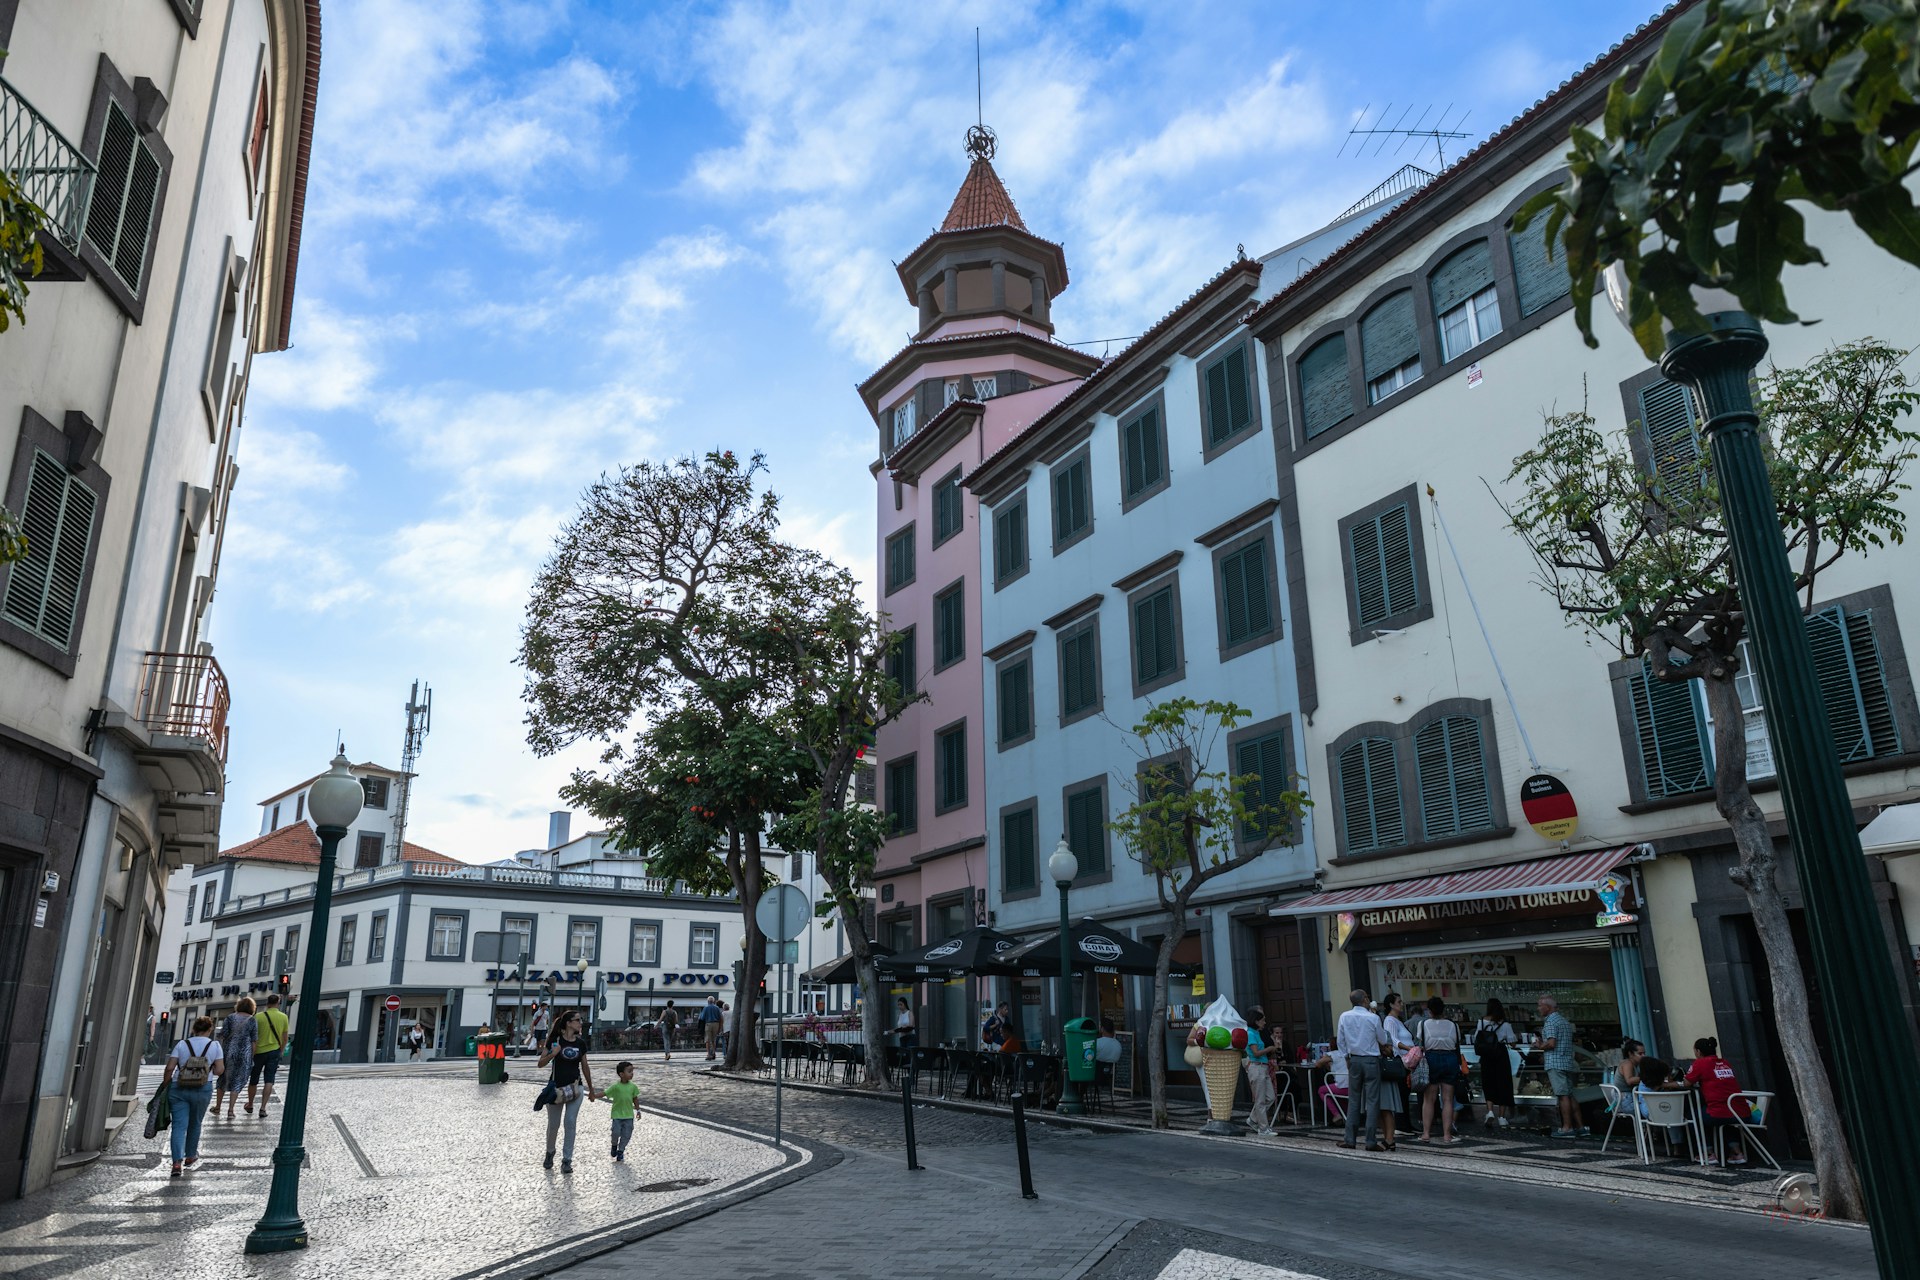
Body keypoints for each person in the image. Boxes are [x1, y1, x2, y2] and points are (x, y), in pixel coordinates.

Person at [161, 1015, 224, 1177]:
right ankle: (190, 1156)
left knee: (179, 1126)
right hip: (203, 1088)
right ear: (210, 1030)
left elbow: (170, 1068)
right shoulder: (215, 1045)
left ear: (194, 1029)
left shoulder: (182, 1044)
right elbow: (219, 1070)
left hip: (178, 1087)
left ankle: (176, 1162)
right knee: (195, 1123)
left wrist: (165, 1084)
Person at [540, 1010, 597, 1173]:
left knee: (570, 1122)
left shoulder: (580, 1044)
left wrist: (591, 1089)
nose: (581, 1023)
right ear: (568, 1023)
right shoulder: (554, 1041)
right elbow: (540, 1063)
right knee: (553, 1125)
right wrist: (553, 1053)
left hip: (575, 1088)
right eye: (578, 1020)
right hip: (556, 1089)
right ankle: (550, 1152)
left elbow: (585, 1066)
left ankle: (567, 1160)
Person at [1685, 1037, 1751, 1166]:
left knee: (1694, 1117)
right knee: (1727, 1121)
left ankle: (1708, 1153)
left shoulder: (1700, 1063)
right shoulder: (1725, 1062)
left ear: (1698, 1051)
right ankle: (1737, 1153)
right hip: (1741, 1111)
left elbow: (1687, 1083)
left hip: (1719, 1112)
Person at [1336, 988, 1388, 1152]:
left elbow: (1340, 1040)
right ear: (1365, 1000)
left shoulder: (1344, 1016)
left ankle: (1350, 1139)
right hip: (1371, 1060)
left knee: (1354, 1099)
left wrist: (1346, 1057)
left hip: (1354, 1059)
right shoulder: (1373, 1017)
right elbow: (1383, 1039)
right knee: (1372, 1101)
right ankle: (1370, 1141)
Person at [1418, 997, 1462, 1144]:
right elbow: (1457, 1043)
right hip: (1450, 1059)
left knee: (1429, 1099)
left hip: (1431, 1059)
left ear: (1429, 1011)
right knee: (1448, 1099)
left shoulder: (1423, 1024)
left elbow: (1421, 1041)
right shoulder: (1453, 1025)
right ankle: (1447, 1135)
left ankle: (1425, 1134)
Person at [1538, 994, 1581, 1139]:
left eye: (1540, 1006)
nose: (1538, 1009)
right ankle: (1580, 1126)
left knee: (1562, 1096)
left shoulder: (1550, 1021)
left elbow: (1551, 1043)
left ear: (1547, 1007)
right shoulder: (1563, 1021)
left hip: (1555, 1062)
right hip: (1567, 1061)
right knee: (1569, 1095)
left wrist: (1539, 1045)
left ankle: (1567, 1127)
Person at [1474, 999, 1519, 1128]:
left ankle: (1489, 1112)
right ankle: (1502, 1117)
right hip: (1500, 1055)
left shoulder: (1481, 1022)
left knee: (1488, 1082)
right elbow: (1513, 1043)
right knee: (1503, 1083)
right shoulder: (1505, 1024)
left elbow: (1477, 1038)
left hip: (1486, 1056)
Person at [1379, 992, 1413, 1150]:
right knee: (1402, 1091)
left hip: (1407, 1060)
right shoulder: (1390, 1020)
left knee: (1405, 1091)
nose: (1401, 1003)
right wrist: (1408, 1048)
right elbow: (1392, 1039)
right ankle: (1401, 1124)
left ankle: (1406, 1123)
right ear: (1391, 1005)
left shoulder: (1398, 1020)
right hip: (1401, 1060)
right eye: (1399, 1001)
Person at [248, 993, 289, 1117]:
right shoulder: (283, 1017)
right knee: (269, 1080)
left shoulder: (258, 1017)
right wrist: (280, 1050)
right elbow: (285, 1038)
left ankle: (250, 1104)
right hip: (274, 1051)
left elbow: (252, 1036)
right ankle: (263, 1108)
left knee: (254, 1079)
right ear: (278, 1003)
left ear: (267, 1003)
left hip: (258, 1052)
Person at [215, 997, 256, 1119]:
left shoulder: (230, 1018)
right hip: (244, 1054)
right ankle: (231, 1110)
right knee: (238, 1080)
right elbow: (254, 1040)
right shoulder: (252, 1020)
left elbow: (223, 1034)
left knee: (223, 1079)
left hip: (228, 1052)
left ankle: (218, 1106)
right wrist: (251, 1056)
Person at [1242, 1006, 1278, 1136]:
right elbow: (1256, 1053)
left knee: (1270, 1097)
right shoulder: (1250, 1033)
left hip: (1263, 1066)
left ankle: (1252, 1119)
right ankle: (1263, 1128)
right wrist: (1269, 1049)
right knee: (1260, 1099)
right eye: (1262, 1020)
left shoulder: (1256, 1033)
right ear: (1256, 1021)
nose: (1264, 1022)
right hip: (1256, 1067)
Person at [600, 1060, 640, 1162]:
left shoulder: (633, 1087)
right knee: (615, 1133)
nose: (632, 1074)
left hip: (628, 1116)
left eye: (632, 1071)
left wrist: (638, 1110)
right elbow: (605, 1093)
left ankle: (621, 1151)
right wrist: (594, 1095)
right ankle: (614, 1145)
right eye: (629, 1071)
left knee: (627, 1134)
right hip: (617, 1115)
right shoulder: (615, 1087)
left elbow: (635, 1098)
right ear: (621, 1074)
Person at [699, 995, 724, 1061]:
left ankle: (709, 1054)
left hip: (708, 1024)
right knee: (714, 1039)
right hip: (716, 1024)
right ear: (714, 1001)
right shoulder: (717, 1008)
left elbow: (702, 1017)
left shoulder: (706, 1008)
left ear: (708, 1001)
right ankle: (713, 1053)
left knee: (708, 1040)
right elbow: (720, 1017)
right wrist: (720, 1027)